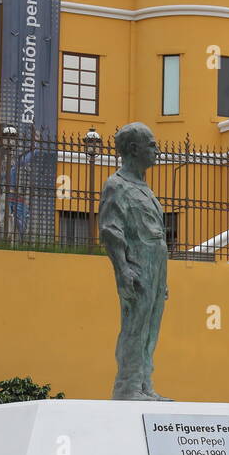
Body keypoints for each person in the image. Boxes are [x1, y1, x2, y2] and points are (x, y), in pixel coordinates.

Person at [99, 122, 171, 401]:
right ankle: (128, 386)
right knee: (135, 326)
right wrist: (123, 269)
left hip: (155, 264)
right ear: (133, 148)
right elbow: (110, 230)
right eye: (151, 145)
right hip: (137, 263)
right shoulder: (117, 185)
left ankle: (144, 384)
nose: (156, 150)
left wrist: (162, 278)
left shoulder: (143, 187)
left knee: (151, 327)